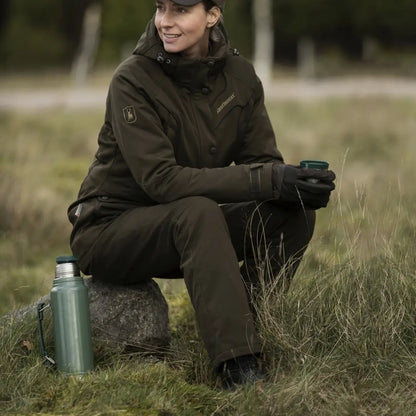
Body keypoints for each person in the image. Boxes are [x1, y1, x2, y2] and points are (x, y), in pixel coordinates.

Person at [67, 0, 336, 389]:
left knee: (290, 214)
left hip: (188, 229)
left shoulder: (240, 78)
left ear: (213, 15)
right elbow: (162, 181)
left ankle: (247, 327)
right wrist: (271, 178)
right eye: (160, 8)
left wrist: (295, 187)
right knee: (197, 211)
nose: (165, 21)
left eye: (180, 9)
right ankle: (238, 368)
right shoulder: (133, 80)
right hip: (109, 229)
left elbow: (261, 164)